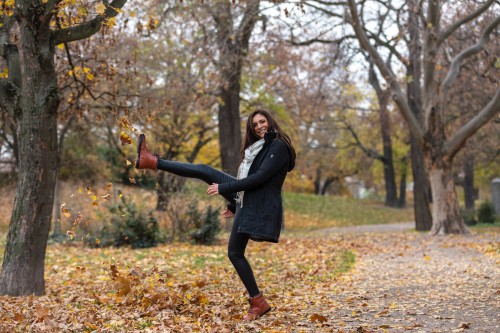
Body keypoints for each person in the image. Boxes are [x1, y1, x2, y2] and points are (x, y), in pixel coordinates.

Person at [135, 109, 296, 321]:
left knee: (234, 252)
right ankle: (152, 161)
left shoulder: (278, 147)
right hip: (247, 200)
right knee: (203, 171)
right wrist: (233, 202)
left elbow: (260, 178)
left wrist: (225, 189)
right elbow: (253, 179)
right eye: (254, 124)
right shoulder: (262, 147)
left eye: (262, 121)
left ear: (270, 121)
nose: (259, 126)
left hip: (257, 206)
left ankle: (258, 302)